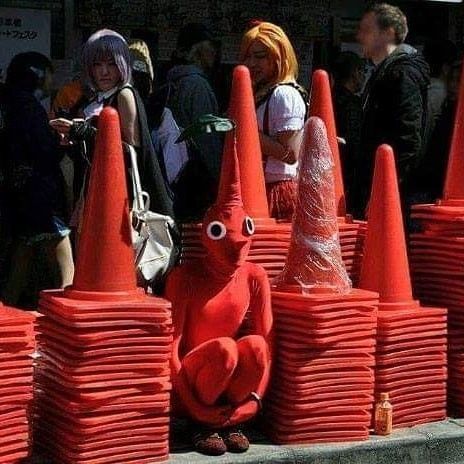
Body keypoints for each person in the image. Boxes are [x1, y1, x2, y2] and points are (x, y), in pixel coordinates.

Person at [50, 29, 173, 229]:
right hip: (91, 189)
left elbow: (131, 149)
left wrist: (85, 133)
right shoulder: (92, 98)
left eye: (111, 63)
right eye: (97, 64)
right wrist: (70, 136)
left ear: (123, 64)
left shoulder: (124, 95)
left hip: (117, 193)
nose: (104, 71)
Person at [0, 52, 74, 307]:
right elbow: (45, 153)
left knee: (20, 262)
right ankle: (68, 318)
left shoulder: (8, 104)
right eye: (49, 74)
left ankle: (7, 316)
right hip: (39, 197)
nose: (51, 81)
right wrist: (62, 142)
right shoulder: (29, 108)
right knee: (65, 261)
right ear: (37, 74)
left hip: (17, 195)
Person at [354, 3, 430, 218]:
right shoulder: (384, 72)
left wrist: (387, 190)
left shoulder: (403, 74)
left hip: (392, 190)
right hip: (379, 183)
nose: (359, 36)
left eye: (366, 30)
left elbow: (408, 137)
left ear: (388, 33)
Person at [240, 21, 306, 221]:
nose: (252, 64)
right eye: (247, 57)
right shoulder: (262, 93)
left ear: (278, 57)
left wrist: (245, 133)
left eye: (260, 57)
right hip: (258, 188)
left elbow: (290, 153)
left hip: (278, 193)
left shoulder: (284, 94)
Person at [165, 22, 223, 182]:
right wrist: (218, 180)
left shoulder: (173, 80)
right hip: (196, 180)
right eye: (211, 45)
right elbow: (207, 140)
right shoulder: (196, 85)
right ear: (197, 49)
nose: (214, 51)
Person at [331, 51, 365, 211]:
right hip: (348, 174)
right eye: (362, 71)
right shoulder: (353, 105)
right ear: (355, 73)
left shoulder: (327, 99)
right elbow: (355, 143)